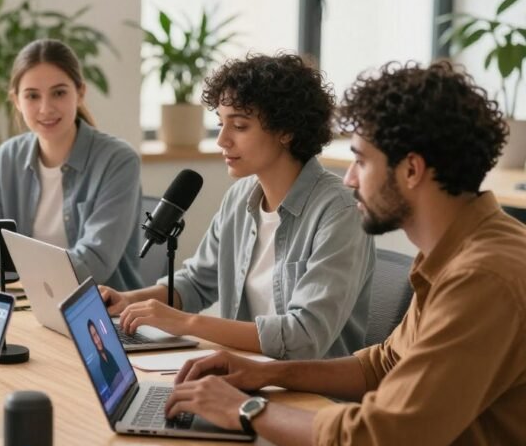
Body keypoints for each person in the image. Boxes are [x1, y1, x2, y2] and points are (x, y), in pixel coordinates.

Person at [164, 61, 525, 446]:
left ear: (411, 170)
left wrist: (245, 408)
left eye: (360, 161)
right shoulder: (457, 252)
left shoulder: (482, 277)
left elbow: (378, 443)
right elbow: (385, 365)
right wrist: (264, 374)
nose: (350, 180)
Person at [103, 53, 373, 360]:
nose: (222, 140)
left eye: (240, 126)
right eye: (220, 123)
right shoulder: (239, 198)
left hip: (311, 393)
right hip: (245, 373)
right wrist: (126, 301)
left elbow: (304, 337)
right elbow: (196, 283)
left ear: (286, 130)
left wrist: (187, 323)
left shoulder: (339, 211)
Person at [0, 39, 144, 290]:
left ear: (80, 93)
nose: (46, 108)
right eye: (32, 96)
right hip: (25, 304)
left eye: (59, 93)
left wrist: (6, 268)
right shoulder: (9, 156)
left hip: (100, 311)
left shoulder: (118, 160)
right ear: (17, 101)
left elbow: (94, 263)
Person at [88, 319, 120, 390]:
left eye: (97, 333)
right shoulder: (99, 364)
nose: (97, 338)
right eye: (93, 336)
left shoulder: (108, 353)